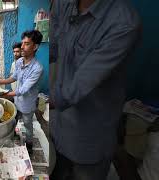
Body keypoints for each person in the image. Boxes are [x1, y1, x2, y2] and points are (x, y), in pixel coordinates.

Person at [50, 0, 141, 179]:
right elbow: (53, 48)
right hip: (58, 126)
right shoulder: (63, 4)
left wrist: (43, 100)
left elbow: (79, 85)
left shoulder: (124, 22)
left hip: (89, 136)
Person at [0, 30, 43, 155]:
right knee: (14, 119)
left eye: (26, 44)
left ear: (35, 46)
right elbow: (14, 77)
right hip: (17, 101)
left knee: (27, 126)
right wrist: (0, 81)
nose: (22, 47)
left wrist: (5, 94)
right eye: (22, 43)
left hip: (27, 104)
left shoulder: (37, 68)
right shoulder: (19, 62)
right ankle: (14, 134)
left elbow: (23, 90)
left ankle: (29, 144)